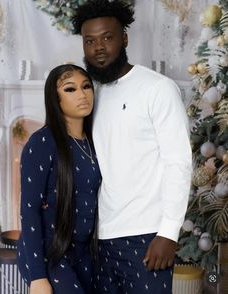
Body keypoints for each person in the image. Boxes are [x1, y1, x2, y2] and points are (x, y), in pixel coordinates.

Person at [72, 1, 192, 293]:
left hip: (147, 238)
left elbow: (179, 161)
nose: (98, 47)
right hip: (100, 240)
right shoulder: (90, 96)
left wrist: (168, 233)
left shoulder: (157, 88)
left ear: (124, 38)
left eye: (107, 37)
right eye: (90, 41)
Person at [17, 64, 101, 294]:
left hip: (83, 250)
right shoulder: (42, 142)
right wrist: (37, 277)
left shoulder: (95, 142)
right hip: (48, 252)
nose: (82, 95)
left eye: (86, 87)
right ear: (55, 98)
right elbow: (29, 209)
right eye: (70, 89)